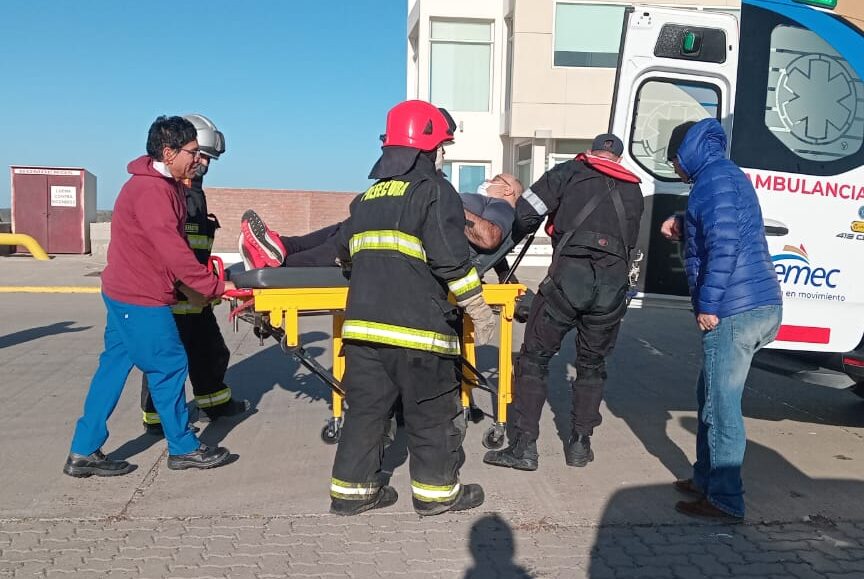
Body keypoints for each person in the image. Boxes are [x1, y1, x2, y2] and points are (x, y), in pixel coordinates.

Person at [327, 100, 494, 516]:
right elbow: (450, 259)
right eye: (442, 147)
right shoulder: (434, 191)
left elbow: (344, 251)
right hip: (419, 333)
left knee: (365, 413)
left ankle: (352, 495)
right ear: (426, 147)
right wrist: (478, 307)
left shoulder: (366, 198)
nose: (443, 156)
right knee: (431, 414)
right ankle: (437, 495)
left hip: (363, 332)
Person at [63, 116, 236, 478]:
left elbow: (159, 252)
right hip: (139, 298)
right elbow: (173, 250)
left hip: (125, 292)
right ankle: (183, 448)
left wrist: (191, 287)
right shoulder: (153, 191)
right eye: (193, 152)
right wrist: (215, 287)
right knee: (168, 365)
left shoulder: (160, 184)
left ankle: (84, 449)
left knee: (113, 367)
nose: (198, 160)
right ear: (169, 152)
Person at [484, 133, 644, 472]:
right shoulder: (634, 190)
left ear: (590, 152)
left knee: (534, 359)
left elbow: (526, 213)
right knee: (592, 365)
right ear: (618, 159)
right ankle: (580, 445)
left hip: (568, 283)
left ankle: (524, 447)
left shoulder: (568, 171)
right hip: (611, 288)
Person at [660, 118, 782, 522]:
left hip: (735, 309)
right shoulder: (722, 177)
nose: (674, 169)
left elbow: (725, 246)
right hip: (755, 303)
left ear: (685, 154)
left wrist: (709, 305)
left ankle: (725, 499)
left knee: (720, 407)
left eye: (673, 161)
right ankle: (705, 479)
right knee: (708, 394)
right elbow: (721, 225)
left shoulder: (712, 182)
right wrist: (683, 222)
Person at [140, 114, 250, 435]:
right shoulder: (169, 191)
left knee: (210, 352)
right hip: (174, 294)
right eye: (201, 156)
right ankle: (158, 419)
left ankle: (214, 403)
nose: (205, 164)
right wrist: (189, 286)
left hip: (195, 295)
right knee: (166, 361)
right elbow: (166, 249)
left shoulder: (193, 190)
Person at [237, 173, 524, 273]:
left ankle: (277, 265)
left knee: (344, 241)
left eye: (496, 179)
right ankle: (278, 245)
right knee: (343, 228)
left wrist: (440, 201)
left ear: (508, 189)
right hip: (397, 221)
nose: (488, 181)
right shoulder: (481, 201)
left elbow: (490, 238)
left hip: (404, 249)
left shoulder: (499, 206)